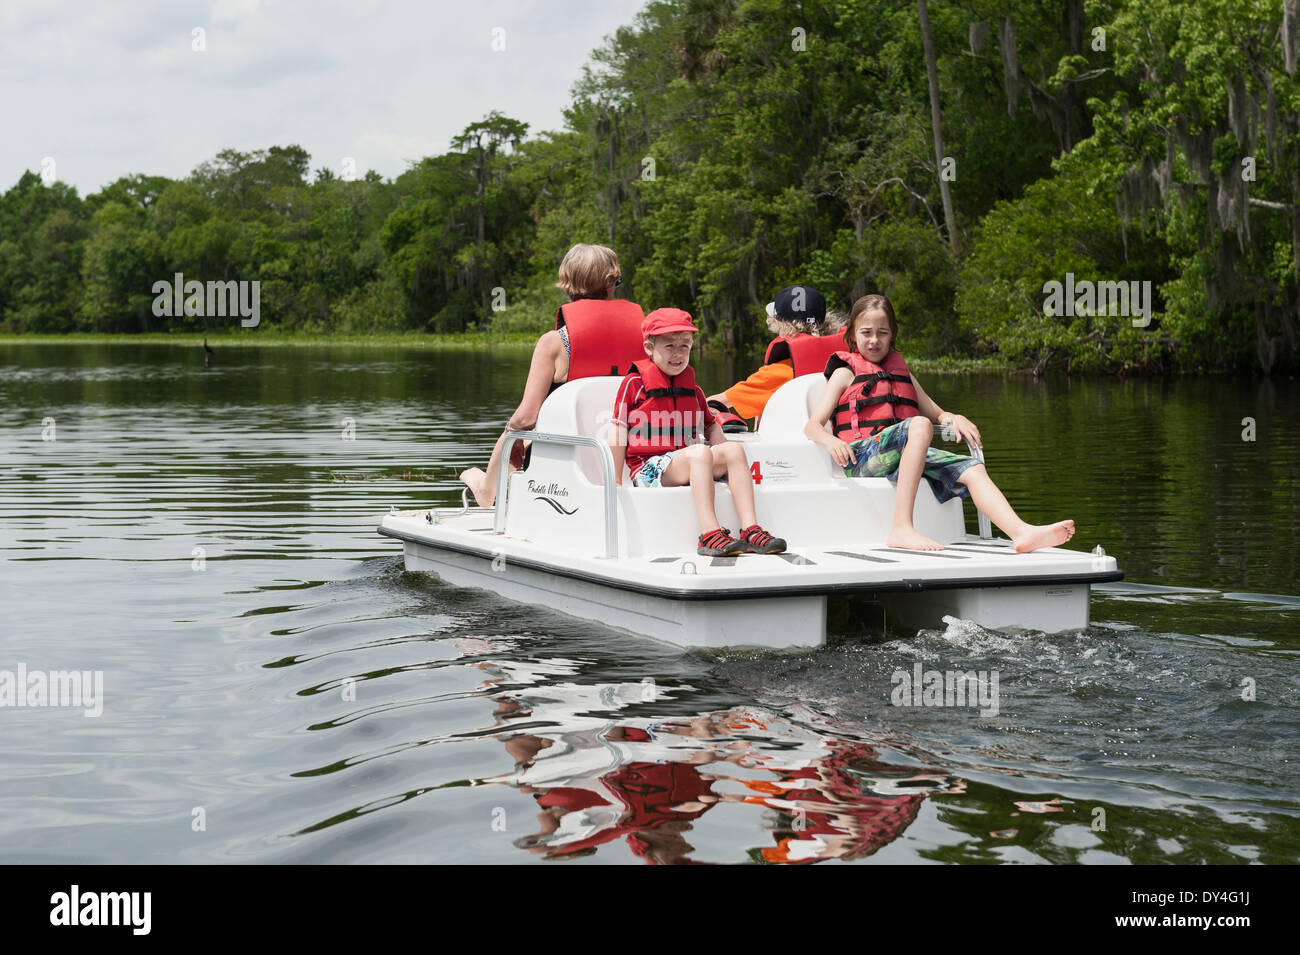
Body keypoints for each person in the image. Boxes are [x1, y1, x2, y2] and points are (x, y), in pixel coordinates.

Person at [803, 293, 1075, 553]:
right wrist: (831, 441)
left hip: (901, 455)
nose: (874, 340)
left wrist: (953, 418)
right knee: (919, 425)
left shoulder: (901, 372)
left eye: (882, 333)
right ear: (851, 335)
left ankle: (1020, 532)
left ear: (892, 335)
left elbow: (937, 413)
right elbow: (812, 426)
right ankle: (901, 528)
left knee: (972, 468)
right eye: (866, 333)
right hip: (861, 457)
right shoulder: (844, 372)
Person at [459, 243, 644, 507]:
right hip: (627, 451)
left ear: (567, 284)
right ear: (611, 284)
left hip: (568, 455)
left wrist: (512, 436)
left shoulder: (555, 343)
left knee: (516, 427)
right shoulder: (647, 339)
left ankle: (487, 492)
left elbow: (527, 416)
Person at [611, 308, 787, 557]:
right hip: (650, 470)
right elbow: (618, 429)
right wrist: (616, 480)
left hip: (690, 460)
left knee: (733, 450)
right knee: (700, 454)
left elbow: (711, 424)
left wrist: (722, 451)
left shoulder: (693, 389)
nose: (678, 353)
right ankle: (709, 533)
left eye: (685, 346)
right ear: (649, 348)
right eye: (670, 345)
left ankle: (750, 530)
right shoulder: (634, 384)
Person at [706, 285, 846, 431]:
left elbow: (715, 402)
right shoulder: (849, 358)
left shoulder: (778, 373)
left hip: (789, 444)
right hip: (835, 439)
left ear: (781, 324)